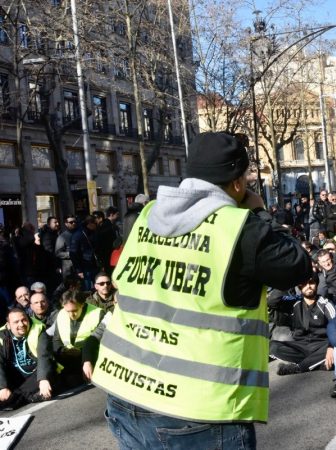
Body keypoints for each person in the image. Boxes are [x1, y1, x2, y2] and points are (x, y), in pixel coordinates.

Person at [92, 132, 312, 449]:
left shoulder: (146, 216)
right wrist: (259, 212)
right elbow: (298, 264)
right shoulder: (240, 227)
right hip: (197, 412)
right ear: (238, 183)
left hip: (125, 396)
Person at [270, 273, 336, 375]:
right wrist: (289, 282)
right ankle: (316, 363)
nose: (308, 286)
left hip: (321, 345)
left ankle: (300, 367)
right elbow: (272, 301)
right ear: (299, 287)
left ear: (316, 284)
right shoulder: (294, 303)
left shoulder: (325, 304)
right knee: (272, 346)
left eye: (311, 283)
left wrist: (331, 348)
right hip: (300, 346)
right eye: (304, 284)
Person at [0, 308, 54, 409]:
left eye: (24, 320)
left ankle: (17, 399)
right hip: (14, 375)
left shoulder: (39, 329)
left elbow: (44, 356)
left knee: (49, 375)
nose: (21, 324)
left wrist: (43, 379)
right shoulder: (1, 336)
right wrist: (2, 387)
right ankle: (26, 397)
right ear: (8, 325)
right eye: (16, 322)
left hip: (35, 372)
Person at [53, 291, 107, 385]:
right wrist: (63, 350)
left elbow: (100, 342)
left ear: (82, 304)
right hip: (68, 357)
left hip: (91, 357)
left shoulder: (97, 313)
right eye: (68, 311)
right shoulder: (61, 314)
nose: (71, 315)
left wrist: (83, 354)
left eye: (74, 311)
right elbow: (56, 339)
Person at [69, 215, 100, 291]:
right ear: (89, 224)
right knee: (87, 288)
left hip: (94, 265)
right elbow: (73, 253)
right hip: (85, 267)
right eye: (95, 223)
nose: (97, 225)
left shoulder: (93, 232)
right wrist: (78, 270)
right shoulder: (78, 235)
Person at [55, 215, 77, 279]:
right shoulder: (62, 237)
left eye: (74, 222)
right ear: (66, 224)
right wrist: (70, 254)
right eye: (71, 222)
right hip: (69, 268)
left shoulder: (80, 233)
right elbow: (58, 253)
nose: (73, 223)